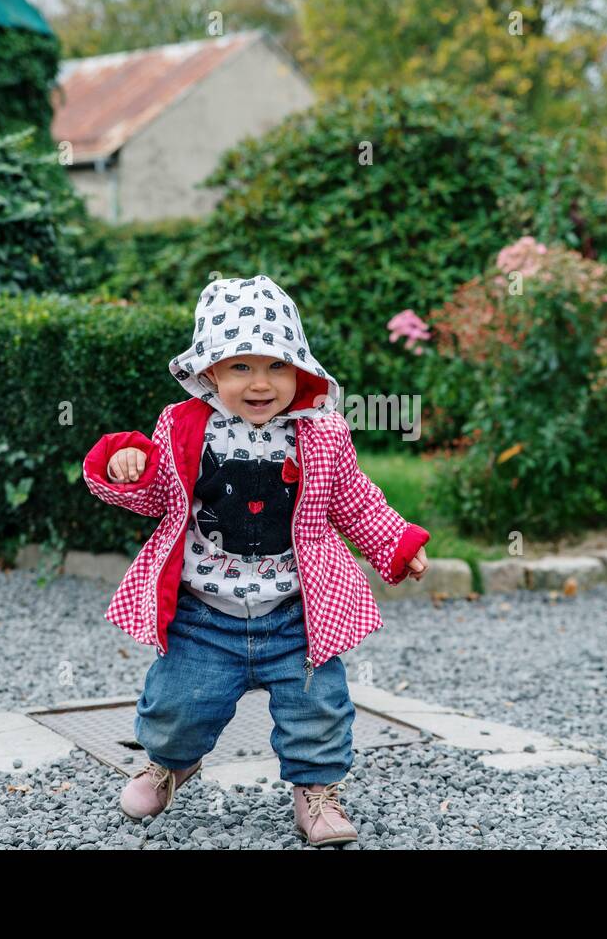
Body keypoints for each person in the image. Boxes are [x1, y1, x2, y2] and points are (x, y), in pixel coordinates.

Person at [82, 274, 430, 846]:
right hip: (204, 612)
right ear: (210, 372)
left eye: (276, 366)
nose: (260, 383)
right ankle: (170, 763)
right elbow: (160, 498)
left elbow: (353, 497)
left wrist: (396, 544)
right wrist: (132, 466)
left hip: (297, 613)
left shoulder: (320, 432)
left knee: (318, 707)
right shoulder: (185, 426)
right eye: (241, 367)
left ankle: (316, 792)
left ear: (300, 370)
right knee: (178, 703)